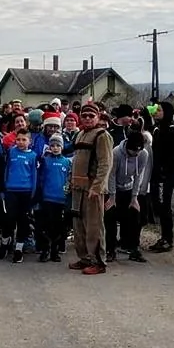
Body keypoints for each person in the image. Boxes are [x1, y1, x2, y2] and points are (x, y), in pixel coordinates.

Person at [69, 103, 113, 275]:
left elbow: (106, 163)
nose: (87, 118)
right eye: (84, 115)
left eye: (91, 116)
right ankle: (85, 257)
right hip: (77, 188)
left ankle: (98, 262)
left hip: (93, 189)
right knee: (79, 226)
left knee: (94, 226)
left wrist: (98, 187)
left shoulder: (102, 136)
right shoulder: (80, 134)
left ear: (98, 117)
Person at [106, 123, 152, 263]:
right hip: (115, 189)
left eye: (138, 151)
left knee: (135, 217)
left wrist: (134, 198)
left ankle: (133, 249)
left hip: (130, 188)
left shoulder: (143, 154)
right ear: (128, 147)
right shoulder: (116, 153)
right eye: (133, 152)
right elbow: (111, 175)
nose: (136, 154)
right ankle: (110, 249)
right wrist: (112, 197)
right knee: (110, 218)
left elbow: (139, 176)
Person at [0, 128, 39, 264]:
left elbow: (34, 175)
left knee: (23, 221)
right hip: (11, 190)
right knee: (8, 219)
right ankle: (5, 241)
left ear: (30, 141)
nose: (21, 142)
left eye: (24, 139)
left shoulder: (33, 156)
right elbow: (6, 170)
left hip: (26, 192)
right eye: (18, 139)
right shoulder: (11, 152)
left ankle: (19, 249)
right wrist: (3, 188)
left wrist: (33, 194)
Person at [36, 132, 72, 262]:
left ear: (62, 147)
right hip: (47, 198)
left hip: (60, 199)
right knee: (45, 226)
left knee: (58, 227)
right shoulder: (45, 161)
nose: (55, 148)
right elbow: (40, 178)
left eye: (58, 145)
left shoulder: (66, 162)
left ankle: (55, 251)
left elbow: (69, 179)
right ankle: (45, 250)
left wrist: (67, 193)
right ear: (49, 147)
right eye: (53, 145)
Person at [149, 101, 174, 252]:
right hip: (158, 174)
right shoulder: (159, 129)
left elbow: (173, 156)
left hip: (166, 176)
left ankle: (168, 238)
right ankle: (164, 236)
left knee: (165, 207)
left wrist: (163, 172)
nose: (156, 112)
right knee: (160, 207)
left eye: (160, 110)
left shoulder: (172, 131)